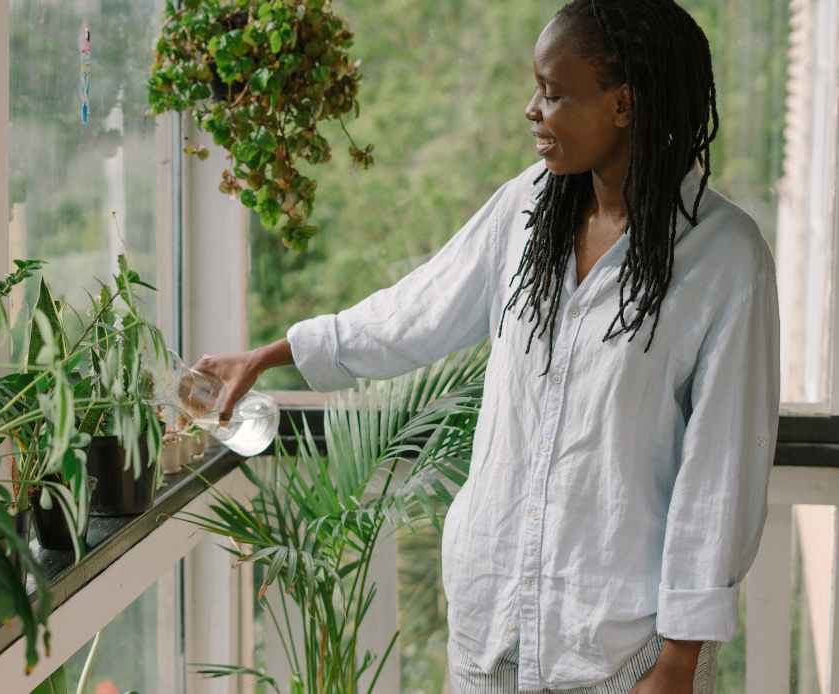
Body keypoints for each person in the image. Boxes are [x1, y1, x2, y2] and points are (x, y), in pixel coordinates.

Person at [191, 1, 779, 692]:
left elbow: (719, 473)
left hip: (626, 653)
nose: (532, 109)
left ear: (623, 104)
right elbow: (410, 315)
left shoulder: (724, 258)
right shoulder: (525, 210)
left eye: (554, 94)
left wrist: (678, 660)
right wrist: (269, 355)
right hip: (492, 633)